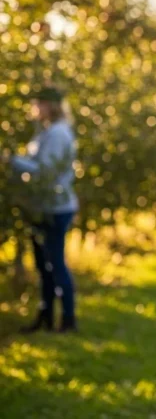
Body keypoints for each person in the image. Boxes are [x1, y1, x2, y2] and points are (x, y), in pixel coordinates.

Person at [2, 85, 80, 333]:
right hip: (43, 205)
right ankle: (46, 316)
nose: (35, 108)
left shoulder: (57, 133)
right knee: (44, 266)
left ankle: (67, 319)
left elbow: (44, 171)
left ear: (50, 106)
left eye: (39, 104)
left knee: (54, 264)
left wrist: (11, 161)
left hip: (55, 207)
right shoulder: (49, 131)